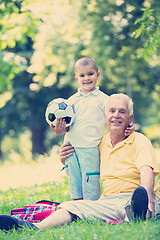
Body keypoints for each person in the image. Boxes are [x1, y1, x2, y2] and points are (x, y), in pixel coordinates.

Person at [0, 93, 159, 231]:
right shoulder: (99, 143)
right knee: (70, 206)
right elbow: (84, 164)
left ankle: (138, 213)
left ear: (130, 118)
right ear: (105, 116)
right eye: (112, 111)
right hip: (108, 201)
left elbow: (146, 170)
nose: (116, 115)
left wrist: (148, 196)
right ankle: (33, 227)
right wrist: (66, 160)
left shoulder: (139, 140)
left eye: (122, 112)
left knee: (139, 205)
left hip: (137, 196)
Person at [51, 57, 134, 200]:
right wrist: (58, 129)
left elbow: (115, 117)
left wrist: (128, 126)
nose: (86, 78)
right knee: (74, 180)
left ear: (98, 75)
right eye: (82, 76)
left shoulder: (104, 100)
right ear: (77, 78)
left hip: (91, 147)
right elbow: (62, 129)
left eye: (90, 74)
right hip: (70, 147)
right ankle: (77, 207)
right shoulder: (70, 101)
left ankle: (91, 207)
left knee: (91, 180)